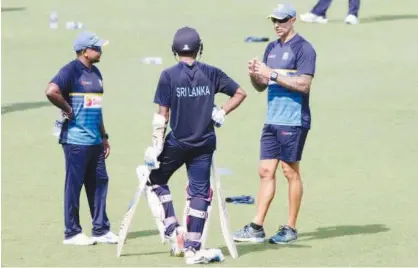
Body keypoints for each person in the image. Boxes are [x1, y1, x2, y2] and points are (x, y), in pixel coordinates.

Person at [142, 26, 247, 264]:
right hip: (204, 144)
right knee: (200, 193)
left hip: (178, 142)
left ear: (174, 50)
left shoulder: (168, 75)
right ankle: (192, 249)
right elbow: (240, 93)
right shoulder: (211, 72)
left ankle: (172, 229)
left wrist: (156, 145)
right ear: (200, 49)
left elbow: (162, 116)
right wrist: (222, 112)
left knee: (154, 179)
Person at [232, 4, 316, 244]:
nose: (277, 25)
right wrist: (255, 75)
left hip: (294, 119)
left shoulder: (304, 49)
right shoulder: (271, 47)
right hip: (272, 120)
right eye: (274, 21)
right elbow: (261, 86)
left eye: (282, 20)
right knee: (265, 171)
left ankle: (290, 227)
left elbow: (304, 85)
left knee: (290, 172)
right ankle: (256, 227)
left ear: (293, 20)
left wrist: (273, 74)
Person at [45, 31, 118, 246]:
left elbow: (97, 108)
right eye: (97, 48)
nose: (100, 51)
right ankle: (72, 232)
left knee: (99, 183)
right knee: (74, 185)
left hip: (95, 140)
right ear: (85, 51)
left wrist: (104, 136)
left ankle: (101, 229)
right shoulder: (70, 71)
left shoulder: (96, 73)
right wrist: (68, 110)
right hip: (75, 141)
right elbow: (51, 91)